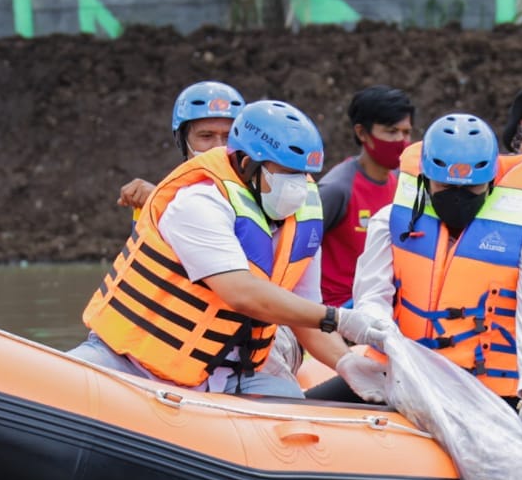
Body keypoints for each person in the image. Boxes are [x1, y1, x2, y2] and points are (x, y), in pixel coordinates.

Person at [67, 100, 393, 400]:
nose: (299, 185)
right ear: (249, 164)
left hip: (230, 374)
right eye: (287, 173)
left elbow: (304, 312)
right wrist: (340, 319)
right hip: (130, 359)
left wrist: (346, 361)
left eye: (304, 174)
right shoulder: (200, 202)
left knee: (297, 427)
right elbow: (242, 293)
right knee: (65, 388)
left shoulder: (303, 217)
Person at [311, 113, 522, 439]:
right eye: (445, 186)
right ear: (426, 178)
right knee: (307, 411)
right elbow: (372, 295)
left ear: (491, 182)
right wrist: (385, 336)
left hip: (486, 387)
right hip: (404, 375)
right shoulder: (390, 221)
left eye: (471, 187)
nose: (458, 196)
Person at [317, 85, 415, 307]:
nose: (402, 141)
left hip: (381, 308)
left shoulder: (403, 185)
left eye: (406, 132)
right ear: (362, 133)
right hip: (338, 317)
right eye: (391, 132)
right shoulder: (337, 189)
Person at [117, 80, 245, 210]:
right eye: (206, 136)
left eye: (228, 137)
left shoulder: (261, 188)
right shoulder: (174, 192)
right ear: (182, 140)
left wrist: (160, 202)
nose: (219, 147)